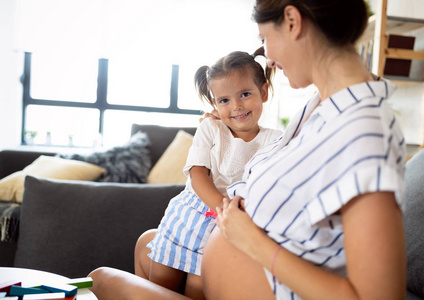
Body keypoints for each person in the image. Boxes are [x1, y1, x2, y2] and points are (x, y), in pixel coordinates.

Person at [88, 1, 407, 299]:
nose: (267, 58)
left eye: (264, 38)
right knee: (145, 246)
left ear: (293, 22)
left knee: (99, 279)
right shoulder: (324, 108)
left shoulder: (363, 129)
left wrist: (253, 243)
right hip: (218, 269)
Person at [132, 48, 282, 300]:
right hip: (192, 215)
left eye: (245, 94)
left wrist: (230, 216)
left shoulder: (275, 140)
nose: (236, 106)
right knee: (162, 285)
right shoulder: (211, 128)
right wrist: (222, 207)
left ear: (264, 92)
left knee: (198, 290)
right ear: (215, 103)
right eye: (224, 100)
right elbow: (197, 175)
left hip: (225, 229)